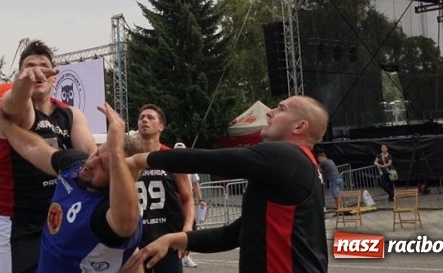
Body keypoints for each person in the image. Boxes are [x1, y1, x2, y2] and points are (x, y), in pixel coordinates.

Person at [124, 95, 329, 273]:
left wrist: (140, 160)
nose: (270, 112)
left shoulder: (287, 156)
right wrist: (172, 239)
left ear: (300, 126)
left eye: (281, 108)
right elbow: (230, 235)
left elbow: (208, 160)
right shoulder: (301, 166)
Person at [0, 87, 142, 272]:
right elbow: (34, 147)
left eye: (104, 166)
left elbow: (127, 220)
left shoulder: (106, 213)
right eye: (97, 153)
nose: (92, 162)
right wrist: (5, 124)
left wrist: (117, 154)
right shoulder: (75, 165)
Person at [0, 39, 96, 273]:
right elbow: (16, 101)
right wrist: (23, 84)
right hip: (17, 220)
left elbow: (90, 156)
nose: (36, 72)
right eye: (29, 67)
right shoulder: (15, 108)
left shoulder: (71, 115)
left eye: (43, 66)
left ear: (54, 77)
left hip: (60, 215)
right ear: (19, 75)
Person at [135, 105, 194, 273]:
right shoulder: (128, 156)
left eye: (150, 117)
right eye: (141, 117)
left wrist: (187, 229)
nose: (144, 120)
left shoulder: (172, 157)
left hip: (167, 237)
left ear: (161, 126)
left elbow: (188, 198)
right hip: (137, 239)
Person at [173, 142, 205, 269]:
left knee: (191, 228)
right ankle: (177, 255)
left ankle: (186, 256)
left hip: (188, 201)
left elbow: (196, 184)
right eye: (177, 150)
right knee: (176, 228)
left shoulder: (189, 166)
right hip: (175, 202)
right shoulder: (170, 165)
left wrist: (201, 199)